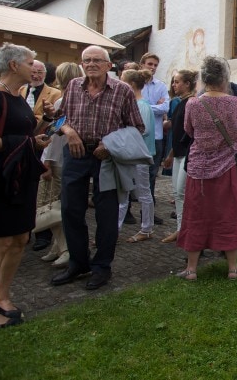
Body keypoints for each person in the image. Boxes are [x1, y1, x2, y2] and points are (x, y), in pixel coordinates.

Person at [0, 42, 52, 329]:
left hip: (21, 178)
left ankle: (2, 297)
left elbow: (21, 132)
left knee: (20, 239)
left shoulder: (18, 96)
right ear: (14, 65)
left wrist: (36, 137)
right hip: (1, 180)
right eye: (30, 62)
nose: (35, 67)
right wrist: (24, 142)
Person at [51, 45, 144, 291]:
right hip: (75, 153)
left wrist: (109, 143)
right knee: (71, 209)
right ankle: (78, 263)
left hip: (106, 157)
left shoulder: (122, 90)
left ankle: (102, 266)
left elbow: (137, 127)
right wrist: (68, 131)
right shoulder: (72, 86)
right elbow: (58, 119)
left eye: (96, 60)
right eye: (86, 60)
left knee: (106, 213)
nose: (91, 64)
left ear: (108, 65)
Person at [176, 56, 237, 281]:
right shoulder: (235, 103)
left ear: (203, 78)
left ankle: (191, 269)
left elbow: (188, 131)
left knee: (195, 215)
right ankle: (232, 268)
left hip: (198, 167)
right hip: (227, 166)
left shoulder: (193, 103)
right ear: (225, 78)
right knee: (228, 214)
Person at [34, 62, 83, 269]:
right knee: (55, 205)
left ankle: (65, 248)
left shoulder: (63, 100)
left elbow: (52, 135)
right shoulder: (77, 99)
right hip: (63, 159)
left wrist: (46, 160)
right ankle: (58, 246)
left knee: (52, 206)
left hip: (57, 159)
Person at [19, 60, 62, 251]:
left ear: (45, 75)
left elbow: (53, 121)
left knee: (42, 192)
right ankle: (24, 230)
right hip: (22, 145)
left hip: (43, 144)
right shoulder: (20, 89)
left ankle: (42, 234)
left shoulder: (54, 93)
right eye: (33, 71)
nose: (35, 75)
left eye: (39, 72)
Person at [117, 69, 156, 243]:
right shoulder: (133, 103)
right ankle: (114, 229)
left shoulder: (143, 105)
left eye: (122, 80)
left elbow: (144, 130)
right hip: (129, 155)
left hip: (139, 156)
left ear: (131, 84)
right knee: (123, 193)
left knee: (143, 193)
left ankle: (147, 228)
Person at [160, 69, 198, 243]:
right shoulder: (179, 102)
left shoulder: (192, 102)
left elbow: (190, 133)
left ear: (187, 84)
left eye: (177, 82)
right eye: (173, 82)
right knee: (176, 192)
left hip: (188, 154)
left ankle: (187, 230)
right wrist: (170, 154)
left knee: (183, 193)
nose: (174, 85)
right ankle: (181, 229)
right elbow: (177, 132)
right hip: (177, 154)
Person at [139, 52, 169, 216]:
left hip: (156, 136)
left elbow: (165, 108)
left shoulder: (161, 86)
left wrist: (143, 106)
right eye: (150, 64)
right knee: (132, 174)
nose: (152, 67)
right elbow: (132, 107)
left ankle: (148, 212)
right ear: (142, 64)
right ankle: (128, 209)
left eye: (155, 65)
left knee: (151, 175)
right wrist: (153, 107)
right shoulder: (135, 83)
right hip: (137, 135)